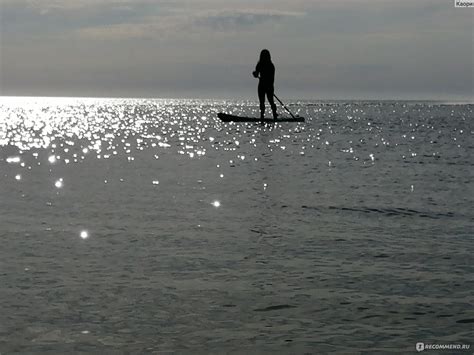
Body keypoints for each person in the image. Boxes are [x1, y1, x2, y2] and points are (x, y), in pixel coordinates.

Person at [252, 49, 278, 120]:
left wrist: (269, 86)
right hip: (261, 86)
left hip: (269, 85)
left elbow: (272, 78)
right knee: (262, 102)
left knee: (271, 101)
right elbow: (256, 73)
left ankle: (275, 115)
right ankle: (262, 116)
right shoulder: (259, 64)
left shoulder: (271, 66)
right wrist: (255, 74)